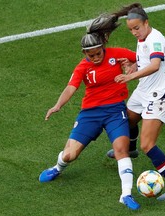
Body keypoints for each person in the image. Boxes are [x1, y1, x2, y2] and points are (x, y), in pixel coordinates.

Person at [39, 14, 140, 210]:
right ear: (84, 53)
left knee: (121, 149)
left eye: (98, 54)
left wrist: (133, 66)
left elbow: (143, 59)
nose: (95, 58)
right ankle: (57, 168)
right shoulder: (83, 67)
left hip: (115, 110)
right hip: (90, 113)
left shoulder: (117, 53)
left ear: (102, 48)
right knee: (70, 155)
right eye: (90, 55)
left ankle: (126, 194)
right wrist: (58, 105)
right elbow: (71, 88)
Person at [106, 3, 165, 200]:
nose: (134, 32)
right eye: (131, 29)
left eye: (137, 28)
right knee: (128, 120)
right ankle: (130, 150)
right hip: (144, 90)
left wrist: (129, 77)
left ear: (146, 23)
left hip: (158, 94)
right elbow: (146, 61)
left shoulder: (155, 38)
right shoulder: (143, 38)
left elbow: (156, 65)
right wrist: (133, 65)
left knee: (148, 145)